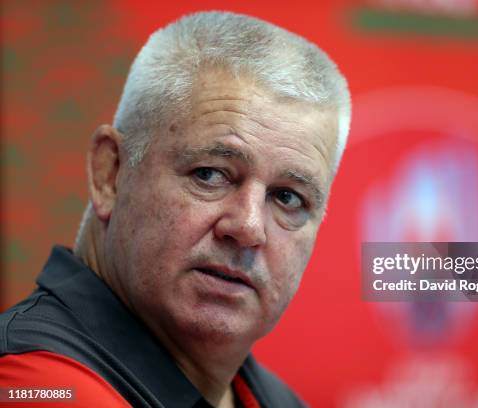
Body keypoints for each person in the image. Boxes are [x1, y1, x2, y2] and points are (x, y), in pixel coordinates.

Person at [0, 11, 351, 408]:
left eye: (288, 198)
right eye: (210, 174)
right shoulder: (34, 382)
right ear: (110, 173)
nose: (250, 227)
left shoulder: (275, 399)